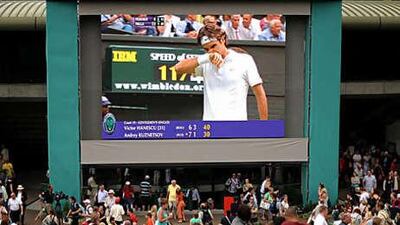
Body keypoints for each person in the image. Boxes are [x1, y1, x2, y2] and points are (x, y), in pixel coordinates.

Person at [174, 24, 268, 121]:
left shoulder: (244, 60)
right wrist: (206, 57)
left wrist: (264, 126)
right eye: (206, 49)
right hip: (210, 129)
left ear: (222, 40)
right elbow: (178, 68)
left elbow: (260, 95)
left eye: (213, 46)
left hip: (237, 128)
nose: (211, 51)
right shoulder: (205, 62)